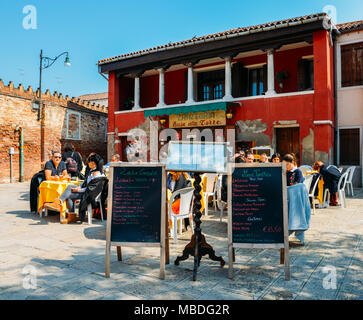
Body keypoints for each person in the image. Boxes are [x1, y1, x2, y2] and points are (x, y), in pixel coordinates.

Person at [45, 153, 105, 223]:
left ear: (93, 163)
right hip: (87, 190)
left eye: (89, 162)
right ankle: (60, 202)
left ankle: (70, 214)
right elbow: (86, 182)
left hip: (89, 194)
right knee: (69, 186)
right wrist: (79, 186)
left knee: (68, 195)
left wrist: (78, 190)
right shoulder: (94, 171)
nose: (88, 163)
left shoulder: (97, 174)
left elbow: (90, 189)